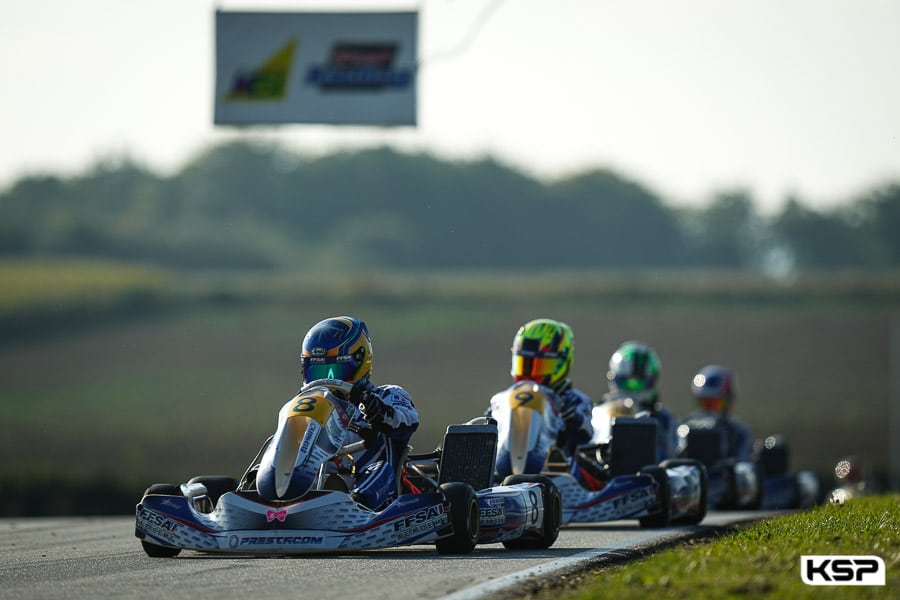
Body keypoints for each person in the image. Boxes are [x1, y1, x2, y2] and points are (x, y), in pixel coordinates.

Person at [300, 316, 419, 509]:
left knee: (380, 469)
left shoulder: (387, 395)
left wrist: (379, 412)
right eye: (319, 373)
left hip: (367, 483)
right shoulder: (306, 405)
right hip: (312, 481)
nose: (327, 380)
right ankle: (263, 492)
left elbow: (408, 421)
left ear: (359, 362)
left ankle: (356, 504)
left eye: (334, 371)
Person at [488, 319, 597, 483]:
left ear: (561, 363)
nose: (530, 374)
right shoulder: (503, 401)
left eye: (539, 366)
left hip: (559, 472)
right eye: (525, 364)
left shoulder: (573, 399)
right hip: (504, 471)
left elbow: (587, 434)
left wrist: (572, 418)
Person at [603, 341, 677, 461]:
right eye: (627, 383)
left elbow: (671, 457)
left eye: (638, 384)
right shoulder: (597, 412)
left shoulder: (664, 418)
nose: (632, 390)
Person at [680, 364, 753, 460]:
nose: (710, 410)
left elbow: (744, 460)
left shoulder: (738, 432)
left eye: (715, 404)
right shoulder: (684, 427)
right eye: (705, 403)